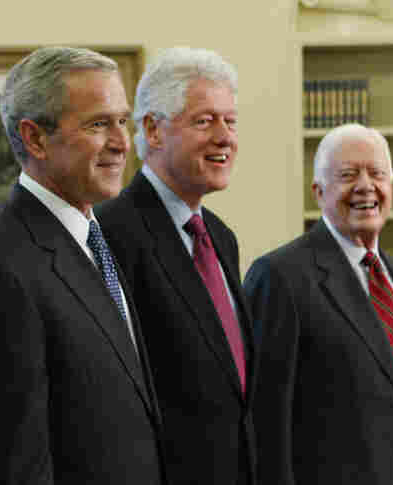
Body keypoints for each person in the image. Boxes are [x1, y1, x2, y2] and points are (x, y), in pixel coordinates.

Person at [0, 46, 165, 484]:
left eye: (121, 121)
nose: (122, 143)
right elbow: (15, 459)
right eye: (98, 124)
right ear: (34, 138)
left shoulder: (95, 236)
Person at [96, 46, 255, 485]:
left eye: (231, 121)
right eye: (205, 120)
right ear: (153, 129)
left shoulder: (220, 237)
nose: (225, 137)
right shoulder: (110, 233)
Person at [245, 123, 393, 484]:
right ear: (318, 191)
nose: (365, 186)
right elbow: (266, 420)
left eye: (377, 173)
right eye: (348, 174)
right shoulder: (280, 276)